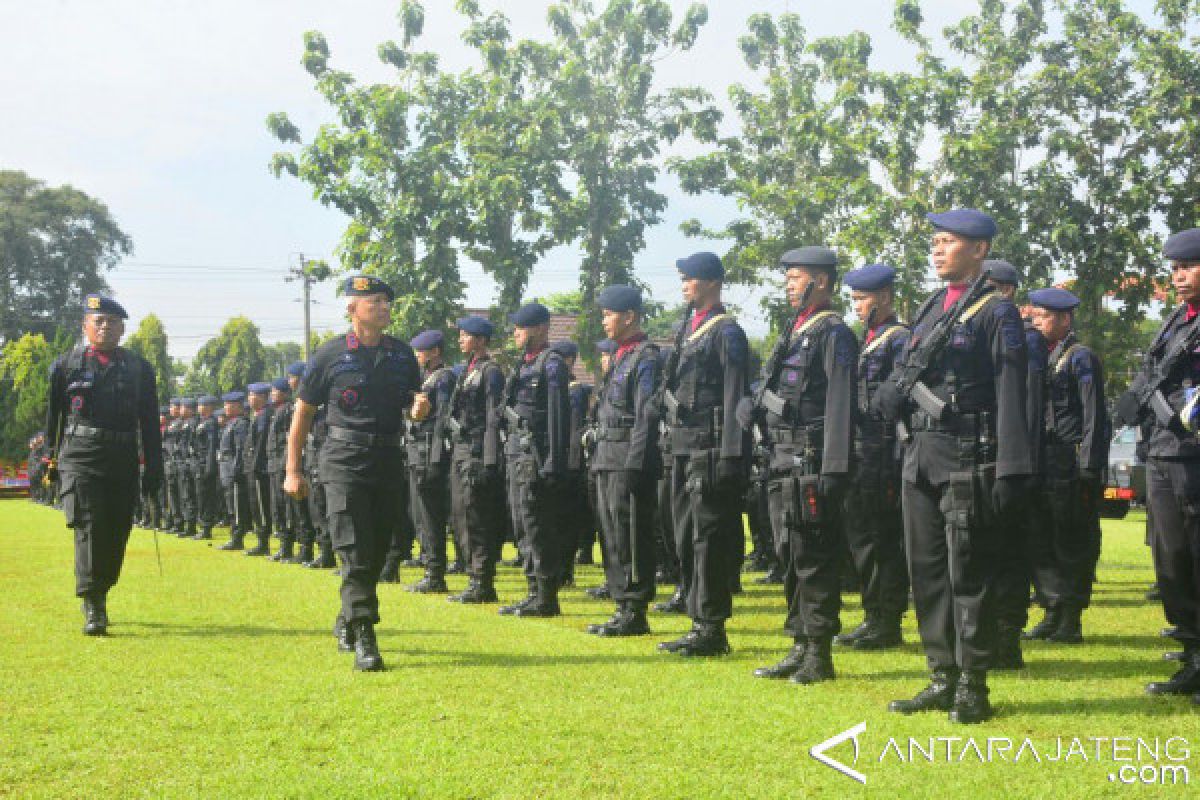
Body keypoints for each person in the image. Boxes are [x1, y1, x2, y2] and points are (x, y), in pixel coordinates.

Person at [877, 209, 1031, 724]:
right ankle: (941, 674)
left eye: (949, 242)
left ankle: (974, 683)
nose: (938, 249)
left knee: (970, 573)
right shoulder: (929, 308)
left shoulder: (996, 312)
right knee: (927, 573)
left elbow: (1013, 394)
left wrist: (1011, 468)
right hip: (919, 458)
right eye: (936, 241)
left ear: (980, 250)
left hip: (969, 458)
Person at [285, 274, 420, 672]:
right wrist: (293, 470)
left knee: (378, 550)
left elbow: (412, 402)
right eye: (374, 301)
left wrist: (417, 410)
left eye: (386, 301)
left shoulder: (401, 355)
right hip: (343, 461)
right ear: (351, 307)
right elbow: (303, 416)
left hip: (387, 460)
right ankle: (365, 632)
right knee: (354, 548)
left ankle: (347, 615)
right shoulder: (328, 356)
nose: (383, 308)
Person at [747, 246, 856, 684]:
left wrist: (834, 468)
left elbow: (841, 404)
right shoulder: (794, 331)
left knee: (814, 557)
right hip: (781, 459)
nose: (790, 285)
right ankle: (799, 643)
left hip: (811, 461)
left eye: (797, 277)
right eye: (788, 278)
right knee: (790, 555)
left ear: (822, 282)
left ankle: (819, 652)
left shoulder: (834, 333)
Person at [45, 293, 162, 635]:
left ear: (122, 329)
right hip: (81, 457)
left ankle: (103, 587)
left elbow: (150, 422)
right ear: (85, 326)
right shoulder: (67, 365)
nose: (105, 327)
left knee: (117, 529)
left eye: (111, 322)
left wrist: (154, 468)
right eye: (98, 321)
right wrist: (50, 459)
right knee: (90, 525)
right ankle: (93, 602)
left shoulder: (139, 369)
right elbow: (54, 417)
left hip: (122, 457)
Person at [1118, 227, 1200, 702]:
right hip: (1164, 451)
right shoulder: (1177, 321)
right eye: (1173, 269)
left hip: (1193, 455)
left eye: (1187, 267)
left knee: (1195, 552)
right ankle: (1192, 650)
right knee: (1171, 558)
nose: (1178, 277)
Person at [657, 252, 751, 657]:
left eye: (691, 279)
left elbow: (736, 395)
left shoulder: (726, 332)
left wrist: (733, 454)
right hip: (683, 446)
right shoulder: (688, 329)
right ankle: (697, 617)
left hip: (710, 450)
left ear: (711, 282)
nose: (684, 286)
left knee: (708, 538)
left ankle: (712, 626)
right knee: (683, 534)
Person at [1023, 287, 1108, 645]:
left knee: (1070, 540)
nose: (1036, 322)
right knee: (1040, 537)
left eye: (1042, 317)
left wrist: (1090, 466)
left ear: (1063, 319)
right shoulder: (1039, 357)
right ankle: (1051, 609)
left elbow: (1094, 417)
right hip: (1041, 459)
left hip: (1069, 460)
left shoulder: (1079, 357)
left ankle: (1070, 618)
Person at [835, 263, 910, 652]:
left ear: (882, 297)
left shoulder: (899, 339)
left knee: (883, 538)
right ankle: (872, 613)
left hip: (884, 451)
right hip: (861, 450)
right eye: (854, 299)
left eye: (862, 299)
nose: (857, 306)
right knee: (862, 537)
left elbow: (895, 396)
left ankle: (888, 619)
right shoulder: (868, 340)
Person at [587, 285, 662, 637]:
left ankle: (635, 608)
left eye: (608, 314)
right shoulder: (621, 356)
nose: (604, 321)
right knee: (611, 534)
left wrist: (636, 463)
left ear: (629, 316)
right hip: (607, 455)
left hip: (626, 457)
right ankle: (621, 603)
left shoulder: (646, 357)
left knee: (630, 532)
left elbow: (646, 415)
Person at [499, 302, 572, 618]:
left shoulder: (551, 364)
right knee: (521, 524)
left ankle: (546, 595)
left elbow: (558, 417)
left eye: (522, 327)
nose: (516, 333)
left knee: (538, 525)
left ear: (541, 328)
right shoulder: (521, 365)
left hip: (537, 457)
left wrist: (555, 463)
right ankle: (532, 591)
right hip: (517, 454)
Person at [445, 315, 506, 604]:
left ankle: (483, 581)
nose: (460, 339)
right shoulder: (468, 370)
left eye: (465, 335)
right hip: (461, 449)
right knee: (460, 515)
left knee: (476, 516)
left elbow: (494, 417)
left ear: (480, 340)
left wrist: (489, 459)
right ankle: (474, 576)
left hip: (478, 451)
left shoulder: (491, 371)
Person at [405, 329, 457, 593]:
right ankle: (429, 567)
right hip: (419, 453)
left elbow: (443, 420)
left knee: (432, 516)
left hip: (430, 455)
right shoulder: (426, 379)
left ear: (435, 352)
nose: (417, 356)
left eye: (420, 351)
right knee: (421, 516)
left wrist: (436, 457)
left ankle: (435, 573)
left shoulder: (443, 378)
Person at [266, 377, 297, 562]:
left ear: (284, 393)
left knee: (286, 507)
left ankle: (288, 547)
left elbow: (287, 440)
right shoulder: (276, 411)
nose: (272, 394)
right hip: (274, 463)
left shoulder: (287, 410)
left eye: (275, 391)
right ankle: (284, 547)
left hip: (282, 462)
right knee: (277, 506)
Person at [217, 392, 252, 550]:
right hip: (226, 467)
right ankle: (234, 535)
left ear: (238, 406)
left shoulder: (240, 424)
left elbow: (240, 449)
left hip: (233, 468)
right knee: (231, 504)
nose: (225, 407)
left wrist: (237, 469)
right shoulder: (231, 423)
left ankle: (237, 537)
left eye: (228, 404)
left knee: (237, 506)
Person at [244, 383, 274, 556]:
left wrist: (255, 465)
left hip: (258, 468)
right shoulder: (258, 415)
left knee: (261, 505)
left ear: (262, 397)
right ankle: (261, 540)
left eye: (252, 395)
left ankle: (263, 541)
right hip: (254, 466)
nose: (249, 398)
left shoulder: (264, 416)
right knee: (256, 505)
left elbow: (261, 443)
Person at [190, 395, 222, 540]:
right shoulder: (201, 422)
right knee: (200, 495)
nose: (199, 408)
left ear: (209, 407)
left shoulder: (211, 423)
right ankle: (203, 525)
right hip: (199, 463)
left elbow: (211, 447)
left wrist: (210, 467)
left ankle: (206, 527)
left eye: (202, 405)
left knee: (206, 496)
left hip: (205, 464)